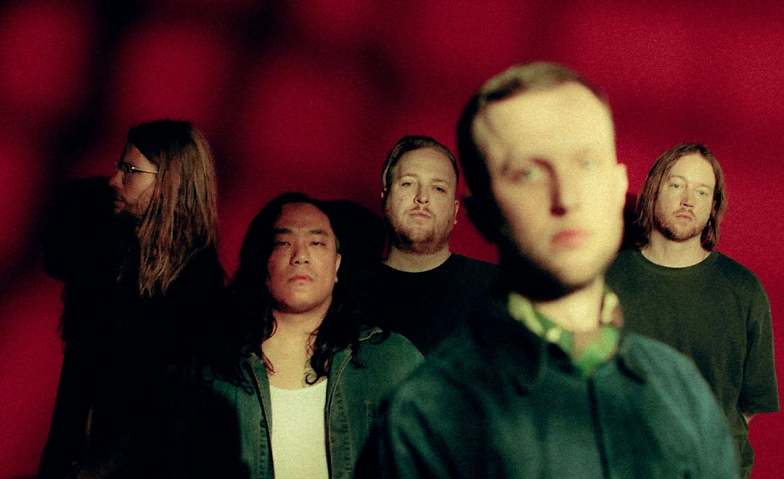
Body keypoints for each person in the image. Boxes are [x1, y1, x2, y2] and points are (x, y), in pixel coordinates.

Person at [356, 62, 738, 478]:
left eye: (586, 163)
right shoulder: (426, 418)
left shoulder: (682, 391)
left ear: (617, 187)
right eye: (529, 172)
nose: (567, 197)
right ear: (482, 214)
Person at [171, 193, 423, 479]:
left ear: (337, 265)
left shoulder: (393, 360)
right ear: (261, 260)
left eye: (316, 243)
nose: (300, 256)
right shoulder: (210, 371)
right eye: (283, 242)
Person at [38, 119, 226, 478]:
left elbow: (169, 404)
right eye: (118, 167)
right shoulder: (110, 256)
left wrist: (102, 469)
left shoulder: (195, 284)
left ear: (170, 180)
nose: (115, 180)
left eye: (130, 171)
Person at [606, 143, 779, 478]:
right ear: (654, 190)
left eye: (702, 191)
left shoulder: (743, 289)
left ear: (713, 206)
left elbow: (747, 403)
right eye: (677, 185)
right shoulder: (606, 279)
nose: (688, 200)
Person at [350, 135, 498, 355]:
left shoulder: (498, 291)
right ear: (385, 198)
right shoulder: (343, 294)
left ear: (455, 211)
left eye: (438, 188)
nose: (422, 198)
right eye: (408, 183)